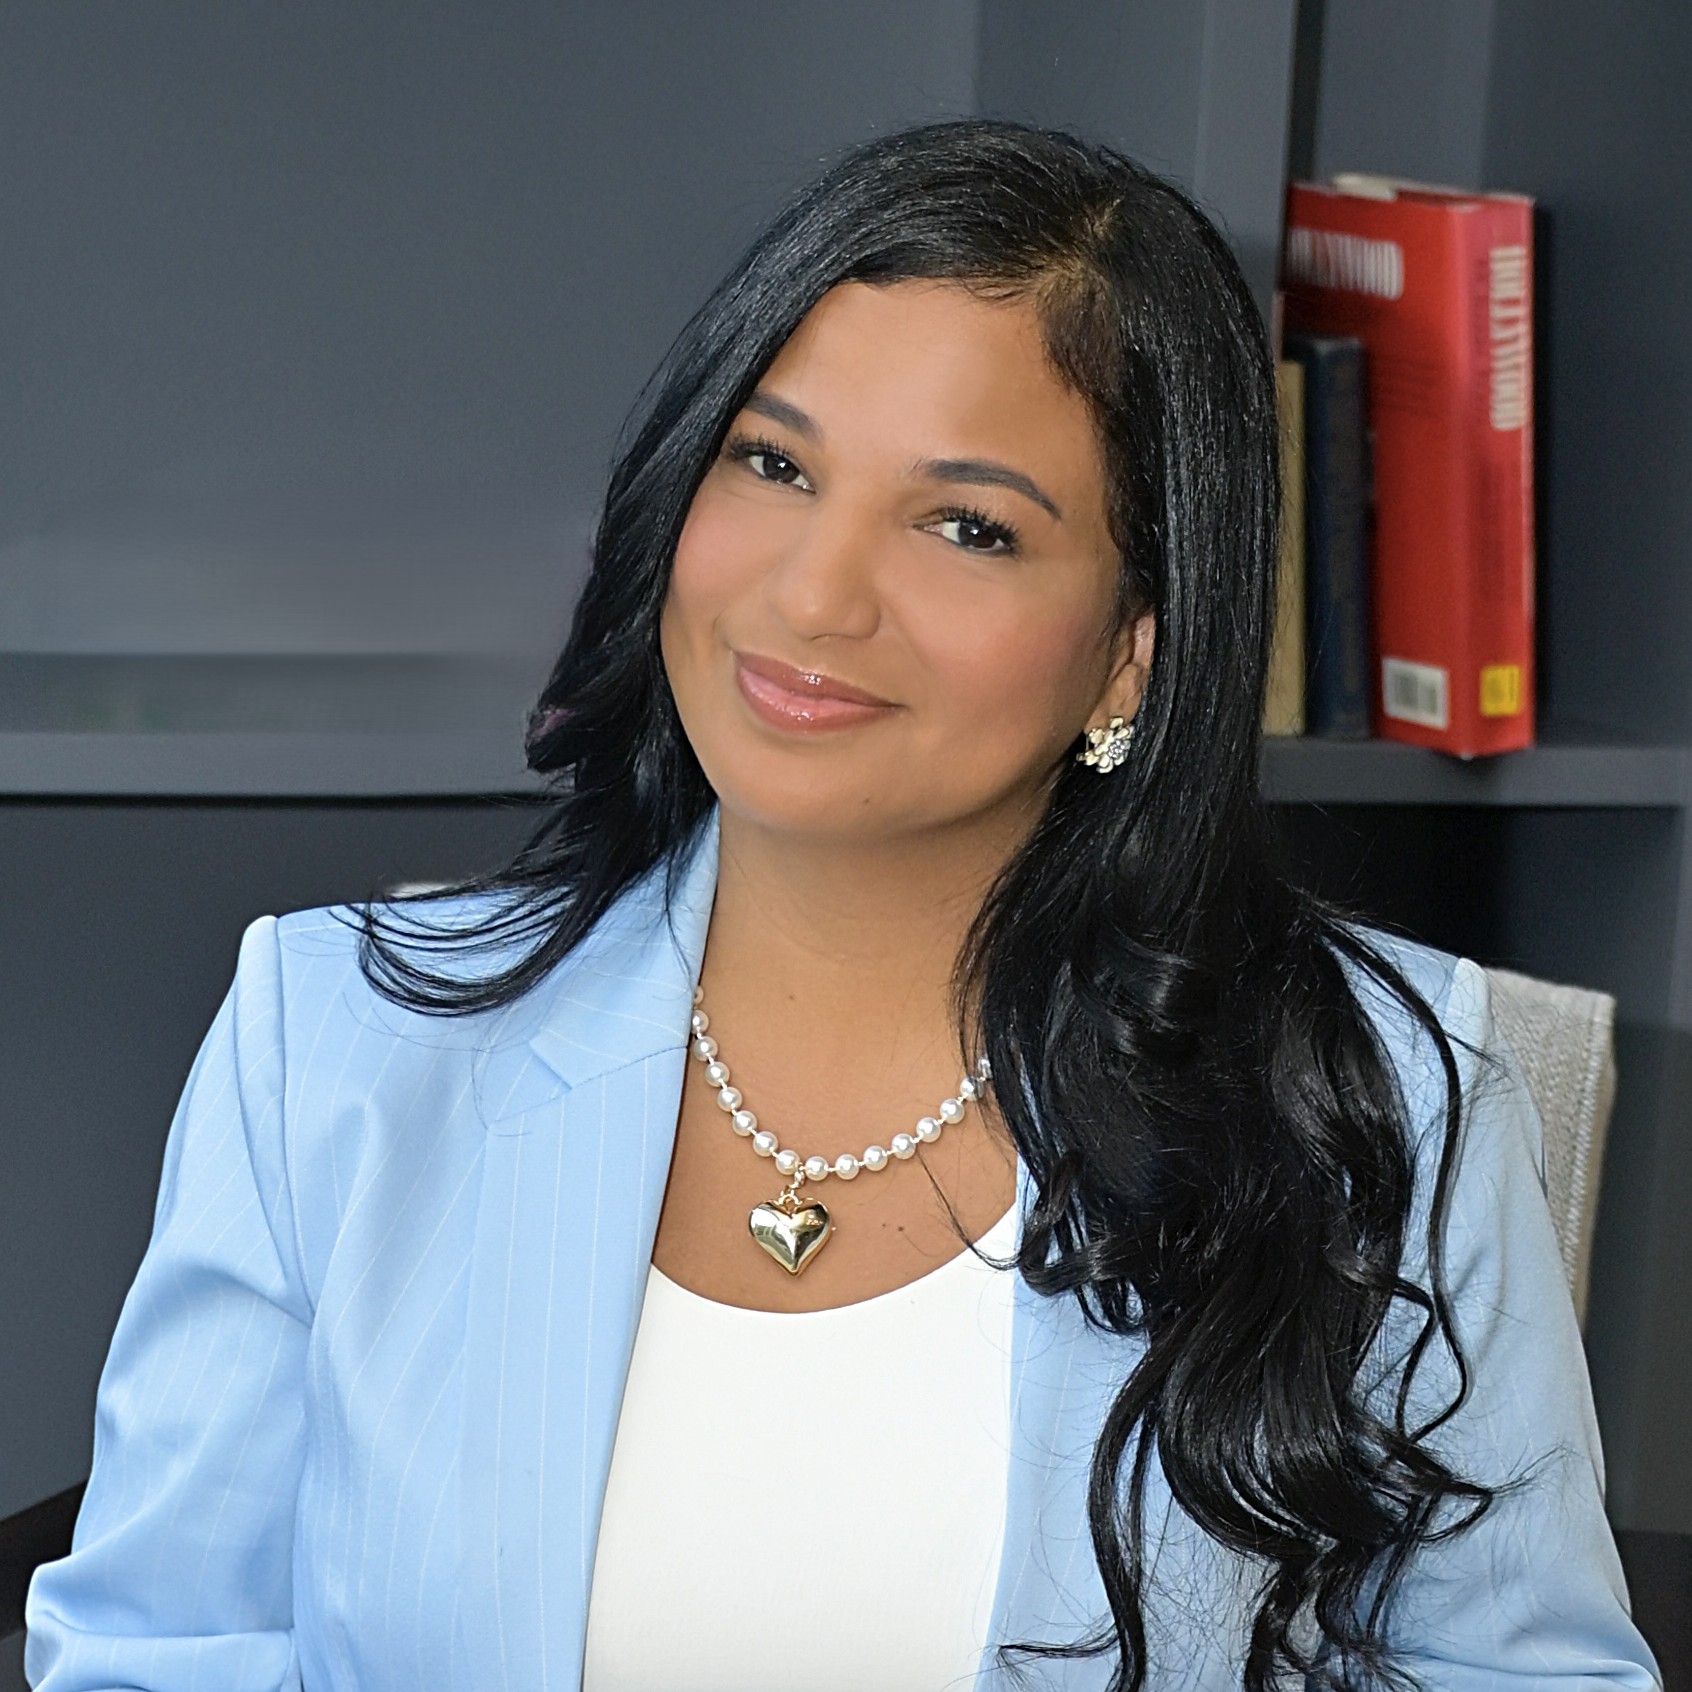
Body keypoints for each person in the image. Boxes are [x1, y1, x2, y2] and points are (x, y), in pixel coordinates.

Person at [25, 120, 1658, 1692]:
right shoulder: (334, 1045)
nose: (814, 595)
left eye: (968, 525)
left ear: (1131, 654)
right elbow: (159, 1653)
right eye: (773, 461)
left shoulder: (1380, 1097)